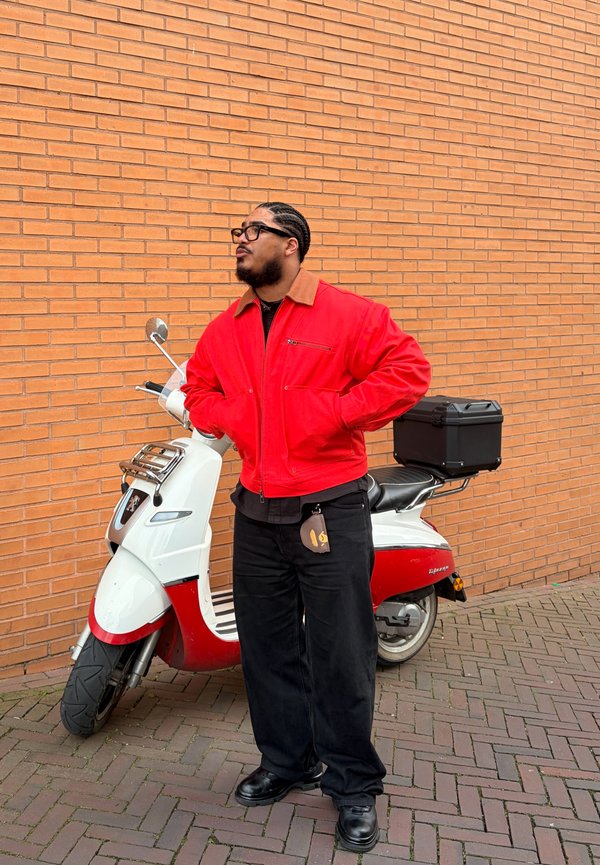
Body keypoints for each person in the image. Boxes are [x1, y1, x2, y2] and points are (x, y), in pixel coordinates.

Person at [182, 202, 431, 852]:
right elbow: (197, 390)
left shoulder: (351, 315)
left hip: (329, 510)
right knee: (266, 651)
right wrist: (232, 415)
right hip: (256, 511)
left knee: (341, 654)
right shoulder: (226, 325)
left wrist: (338, 413)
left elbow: (408, 372)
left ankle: (353, 786)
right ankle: (287, 762)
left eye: (251, 231)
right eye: (237, 232)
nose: (240, 240)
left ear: (289, 244)